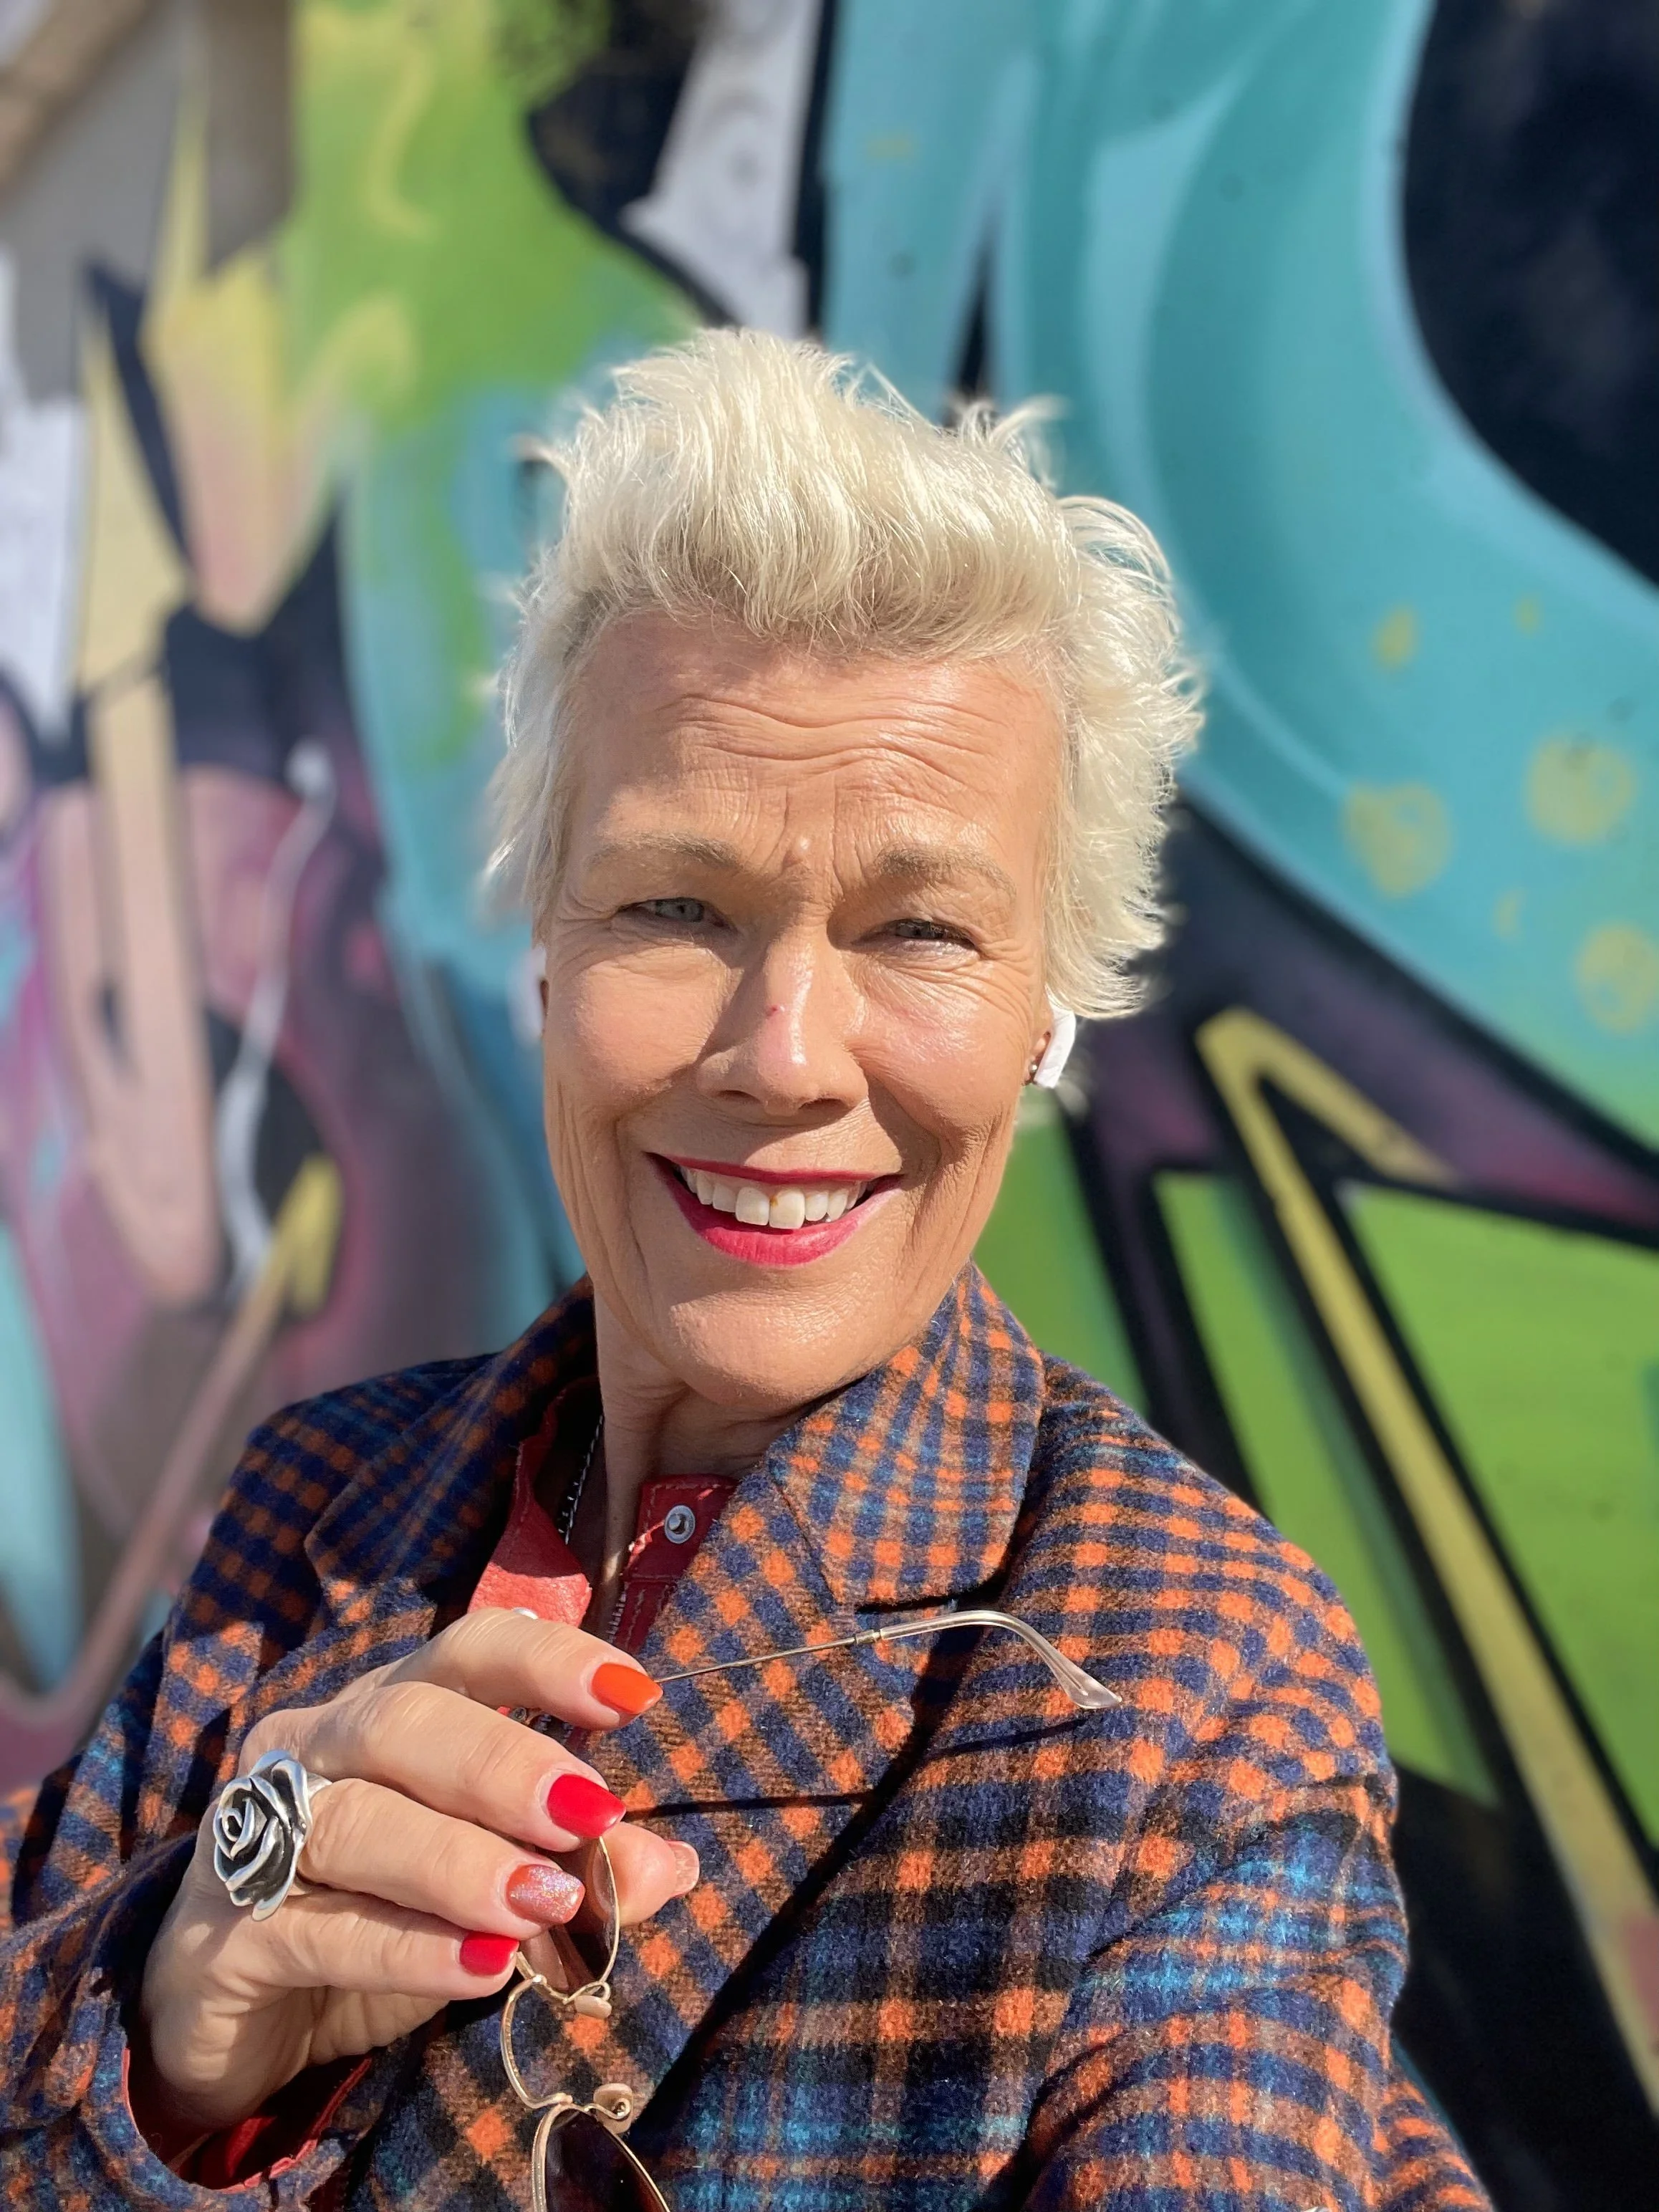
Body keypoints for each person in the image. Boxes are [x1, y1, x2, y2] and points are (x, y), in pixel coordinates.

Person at [0, 331, 1489, 2210]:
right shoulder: (320, 1498)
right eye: (675, 906)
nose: (781, 1055)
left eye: (921, 929)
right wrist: (172, 2043)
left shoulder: (1184, 1683)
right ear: (546, 955)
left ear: (1044, 1019)